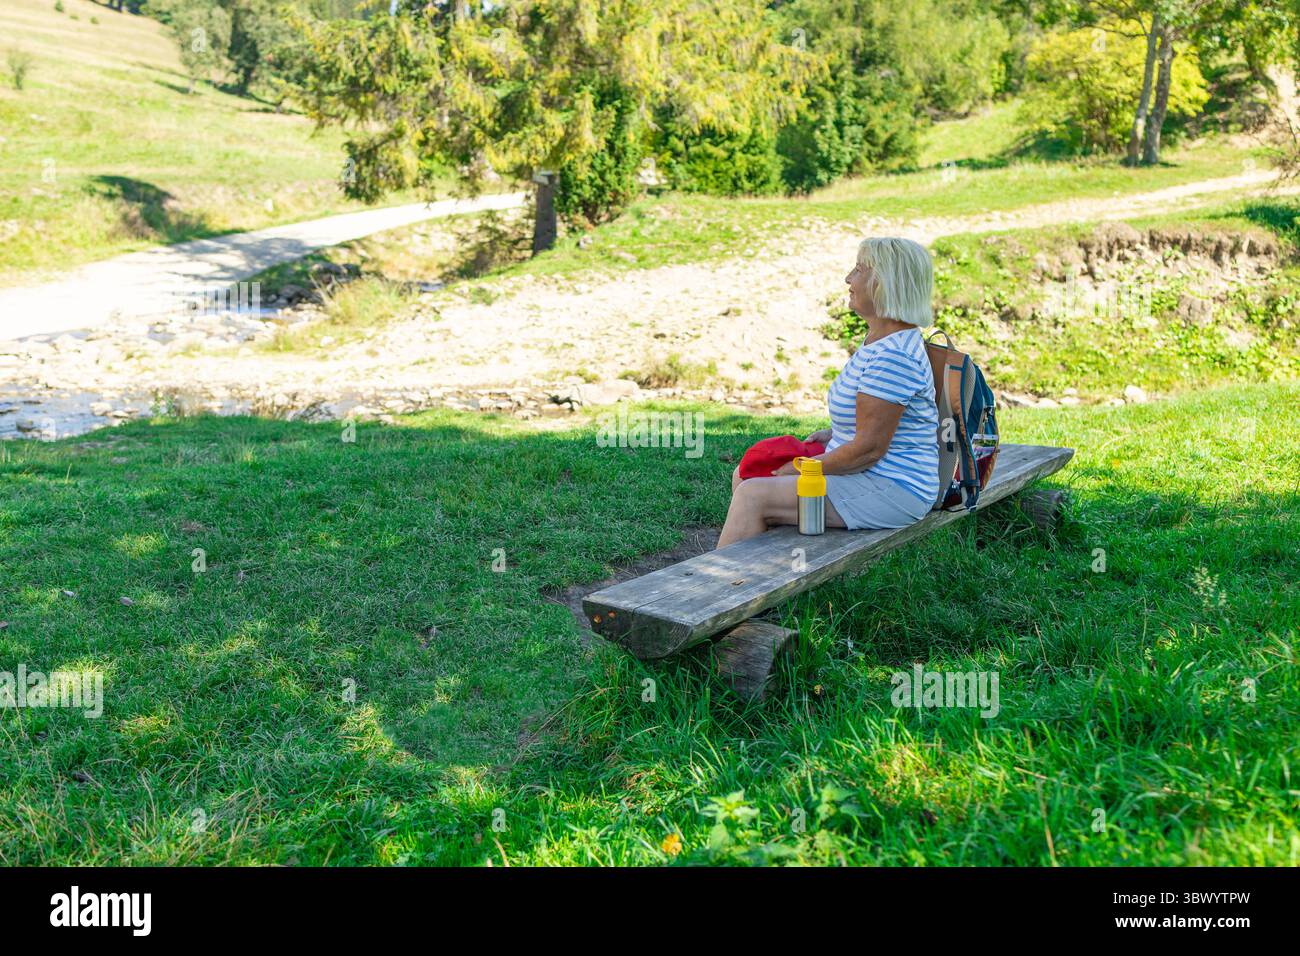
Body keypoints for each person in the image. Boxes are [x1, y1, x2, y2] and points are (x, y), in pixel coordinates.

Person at [717, 237, 941, 548]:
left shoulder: (894, 356)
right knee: (744, 475)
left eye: (859, 270)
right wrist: (835, 434)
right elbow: (876, 424)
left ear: (885, 283)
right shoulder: (879, 340)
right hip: (872, 475)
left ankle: (725, 579)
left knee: (753, 495)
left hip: (894, 488)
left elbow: (868, 450)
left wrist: (800, 468)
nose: (848, 279)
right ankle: (768, 569)